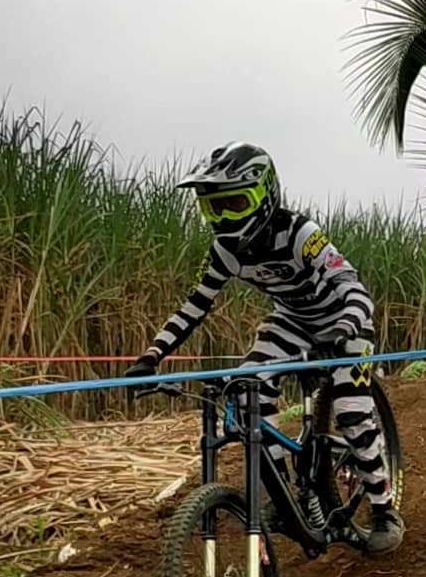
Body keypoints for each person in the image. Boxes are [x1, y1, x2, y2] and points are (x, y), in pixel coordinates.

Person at [124, 142, 404, 554]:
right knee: (245, 389)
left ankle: (384, 510)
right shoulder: (224, 251)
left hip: (342, 324)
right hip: (290, 322)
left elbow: (353, 287)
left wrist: (344, 328)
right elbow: (195, 305)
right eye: (212, 208)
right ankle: (290, 495)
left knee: (352, 412)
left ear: (265, 195)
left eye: (234, 203)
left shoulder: (299, 233)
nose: (222, 218)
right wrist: (151, 356)